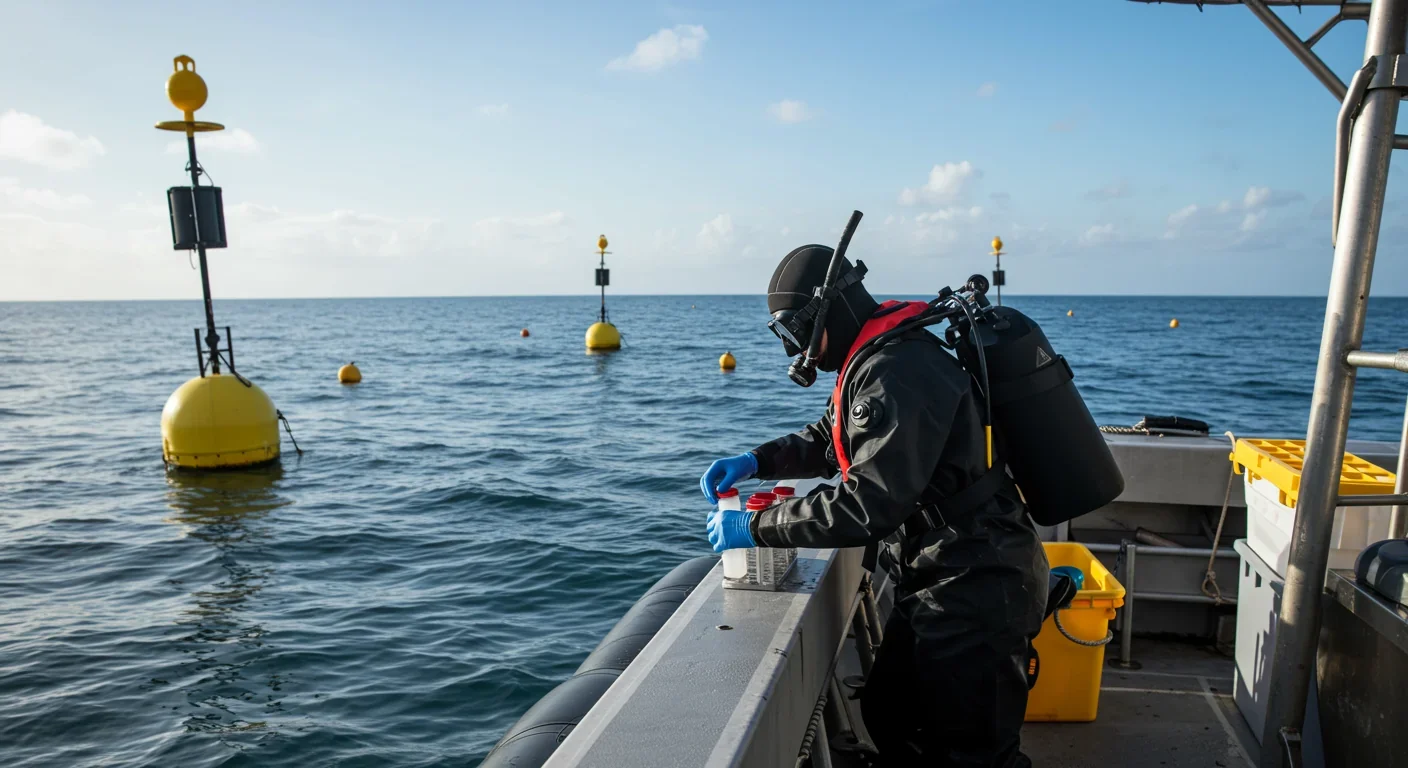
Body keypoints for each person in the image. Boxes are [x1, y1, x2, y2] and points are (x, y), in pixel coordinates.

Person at [701, 244, 1049, 768]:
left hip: (976, 581)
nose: (800, 352)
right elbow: (832, 436)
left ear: (828, 313)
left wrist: (757, 525)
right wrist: (757, 460)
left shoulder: (899, 369)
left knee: (972, 753)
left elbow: (867, 503)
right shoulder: (878, 359)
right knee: (891, 712)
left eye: (796, 332)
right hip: (941, 575)